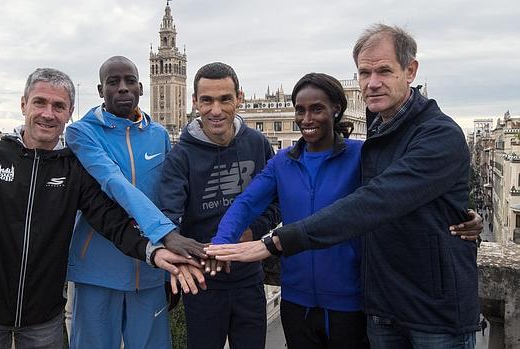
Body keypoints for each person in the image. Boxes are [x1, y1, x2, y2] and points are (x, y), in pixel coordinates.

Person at [207, 24, 481, 349]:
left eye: (384, 71)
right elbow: (247, 203)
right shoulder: (370, 138)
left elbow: (378, 200)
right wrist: (220, 246)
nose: (373, 82)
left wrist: (276, 242)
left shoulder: (420, 138)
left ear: (410, 71)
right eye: (365, 73)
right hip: (376, 306)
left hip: (425, 311)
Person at [0, 68, 191, 349]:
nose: (48, 113)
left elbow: (110, 221)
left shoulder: (74, 168)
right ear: (24, 104)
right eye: (40, 102)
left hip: (45, 316)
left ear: (69, 114)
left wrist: (156, 252)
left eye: (59, 106)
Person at [212, 72, 367, 348]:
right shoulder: (282, 162)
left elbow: (397, 196)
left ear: (336, 109)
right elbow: (246, 204)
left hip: (349, 300)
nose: (306, 119)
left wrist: (467, 218)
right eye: (300, 110)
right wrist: (221, 245)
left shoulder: (361, 156)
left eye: (316, 109)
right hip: (296, 300)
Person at [65, 56, 205, 349]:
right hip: (99, 271)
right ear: (101, 89)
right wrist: (166, 234)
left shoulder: (158, 135)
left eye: (130, 81)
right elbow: (114, 183)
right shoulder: (81, 132)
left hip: (153, 272)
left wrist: (169, 271)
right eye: (113, 82)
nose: (123, 88)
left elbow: (170, 197)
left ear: (141, 87)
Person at [159, 62, 280, 349]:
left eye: (225, 99)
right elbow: (168, 219)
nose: (216, 110)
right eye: (207, 100)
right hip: (203, 282)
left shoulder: (258, 144)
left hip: (250, 278)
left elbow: (276, 204)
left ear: (239, 97)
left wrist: (248, 235)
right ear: (195, 103)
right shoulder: (180, 156)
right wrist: (201, 254)